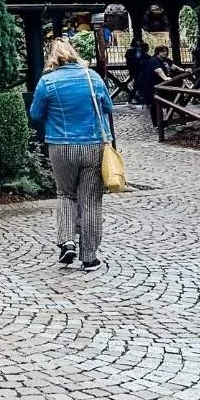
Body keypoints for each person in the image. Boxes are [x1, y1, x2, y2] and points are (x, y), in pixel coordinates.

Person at [29, 39, 116, 274]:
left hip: (61, 146)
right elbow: (108, 107)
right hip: (93, 145)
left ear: (53, 58)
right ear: (74, 55)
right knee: (90, 200)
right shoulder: (92, 77)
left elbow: (35, 113)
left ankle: (67, 241)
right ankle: (89, 258)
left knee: (65, 194)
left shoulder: (47, 81)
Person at [124, 37, 149, 106]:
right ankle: (131, 100)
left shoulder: (143, 52)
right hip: (134, 70)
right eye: (137, 41)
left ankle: (144, 100)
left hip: (143, 71)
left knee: (142, 85)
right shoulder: (130, 51)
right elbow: (129, 61)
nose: (138, 43)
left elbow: (147, 58)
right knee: (136, 85)